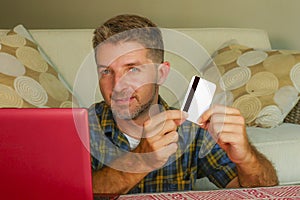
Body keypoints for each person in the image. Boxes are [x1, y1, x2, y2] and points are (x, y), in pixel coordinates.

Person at [88, 14, 278, 194]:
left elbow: (257, 191)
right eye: (106, 71)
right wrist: (141, 160)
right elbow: (65, 193)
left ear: (161, 74)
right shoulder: (80, 127)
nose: (118, 85)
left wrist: (247, 158)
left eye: (133, 69)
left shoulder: (191, 130)